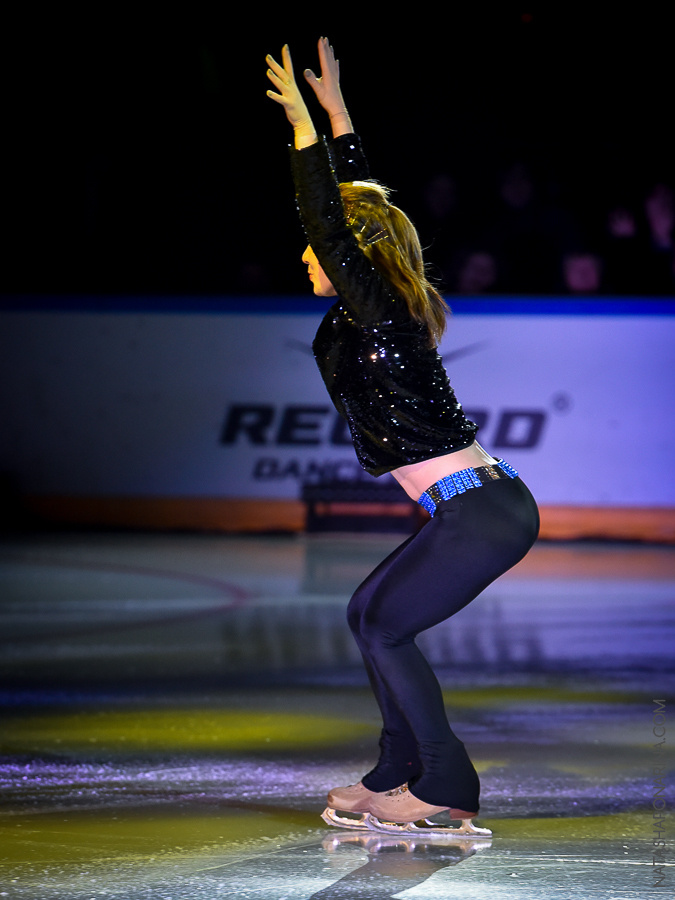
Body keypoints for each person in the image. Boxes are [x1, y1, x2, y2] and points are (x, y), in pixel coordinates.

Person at [265, 38, 539, 834]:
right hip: (474, 507)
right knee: (367, 614)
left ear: (352, 257)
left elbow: (328, 215)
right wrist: (341, 120)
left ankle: (443, 782)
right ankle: (396, 770)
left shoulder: (378, 306)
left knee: (385, 625)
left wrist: (302, 132)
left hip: (479, 511)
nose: (308, 255)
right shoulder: (375, 308)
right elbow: (355, 211)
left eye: (321, 249)